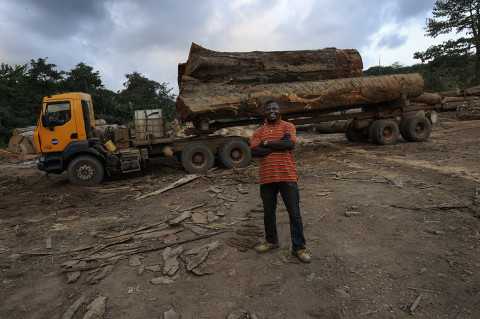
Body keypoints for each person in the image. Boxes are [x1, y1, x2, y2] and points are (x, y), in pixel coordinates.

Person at [250, 99, 311, 263]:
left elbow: (290, 144)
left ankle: (299, 248)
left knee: (294, 213)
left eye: (274, 108)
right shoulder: (258, 131)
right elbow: (255, 151)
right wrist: (279, 144)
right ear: (264, 112)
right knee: (268, 213)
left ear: (279, 110)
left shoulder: (288, 126)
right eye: (268, 108)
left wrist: (267, 144)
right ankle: (271, 241)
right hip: (266, 178)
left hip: (287, 176)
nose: (271, 111)